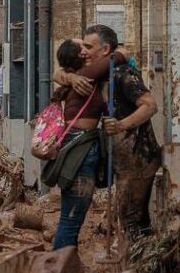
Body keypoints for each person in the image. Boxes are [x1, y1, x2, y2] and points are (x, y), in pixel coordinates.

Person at [57, 24, 161, 240]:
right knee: (131, 221)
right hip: (120, 161)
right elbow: (58, 73)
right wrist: (71, 78)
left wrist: (122, 124)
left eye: (88, 46)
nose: (83, 52)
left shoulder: (123, 73)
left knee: (131, 221)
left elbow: (150, 105)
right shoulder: (100, 73)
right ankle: (139, 267)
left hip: (138, 159)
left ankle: (136, 269)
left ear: (105, 50)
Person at [49, 39, 128, 249]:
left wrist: (69, 76)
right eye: (83, 46)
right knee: (72, 217)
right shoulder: (87, 75)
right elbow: (122, 55)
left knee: (73, 216)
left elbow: (57, 73)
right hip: (81, 151)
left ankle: (65, 270)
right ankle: (58, 271)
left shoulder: (79, 77)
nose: (86, 50)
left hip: (78, 148)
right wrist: (106, 48)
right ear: (80, 56)